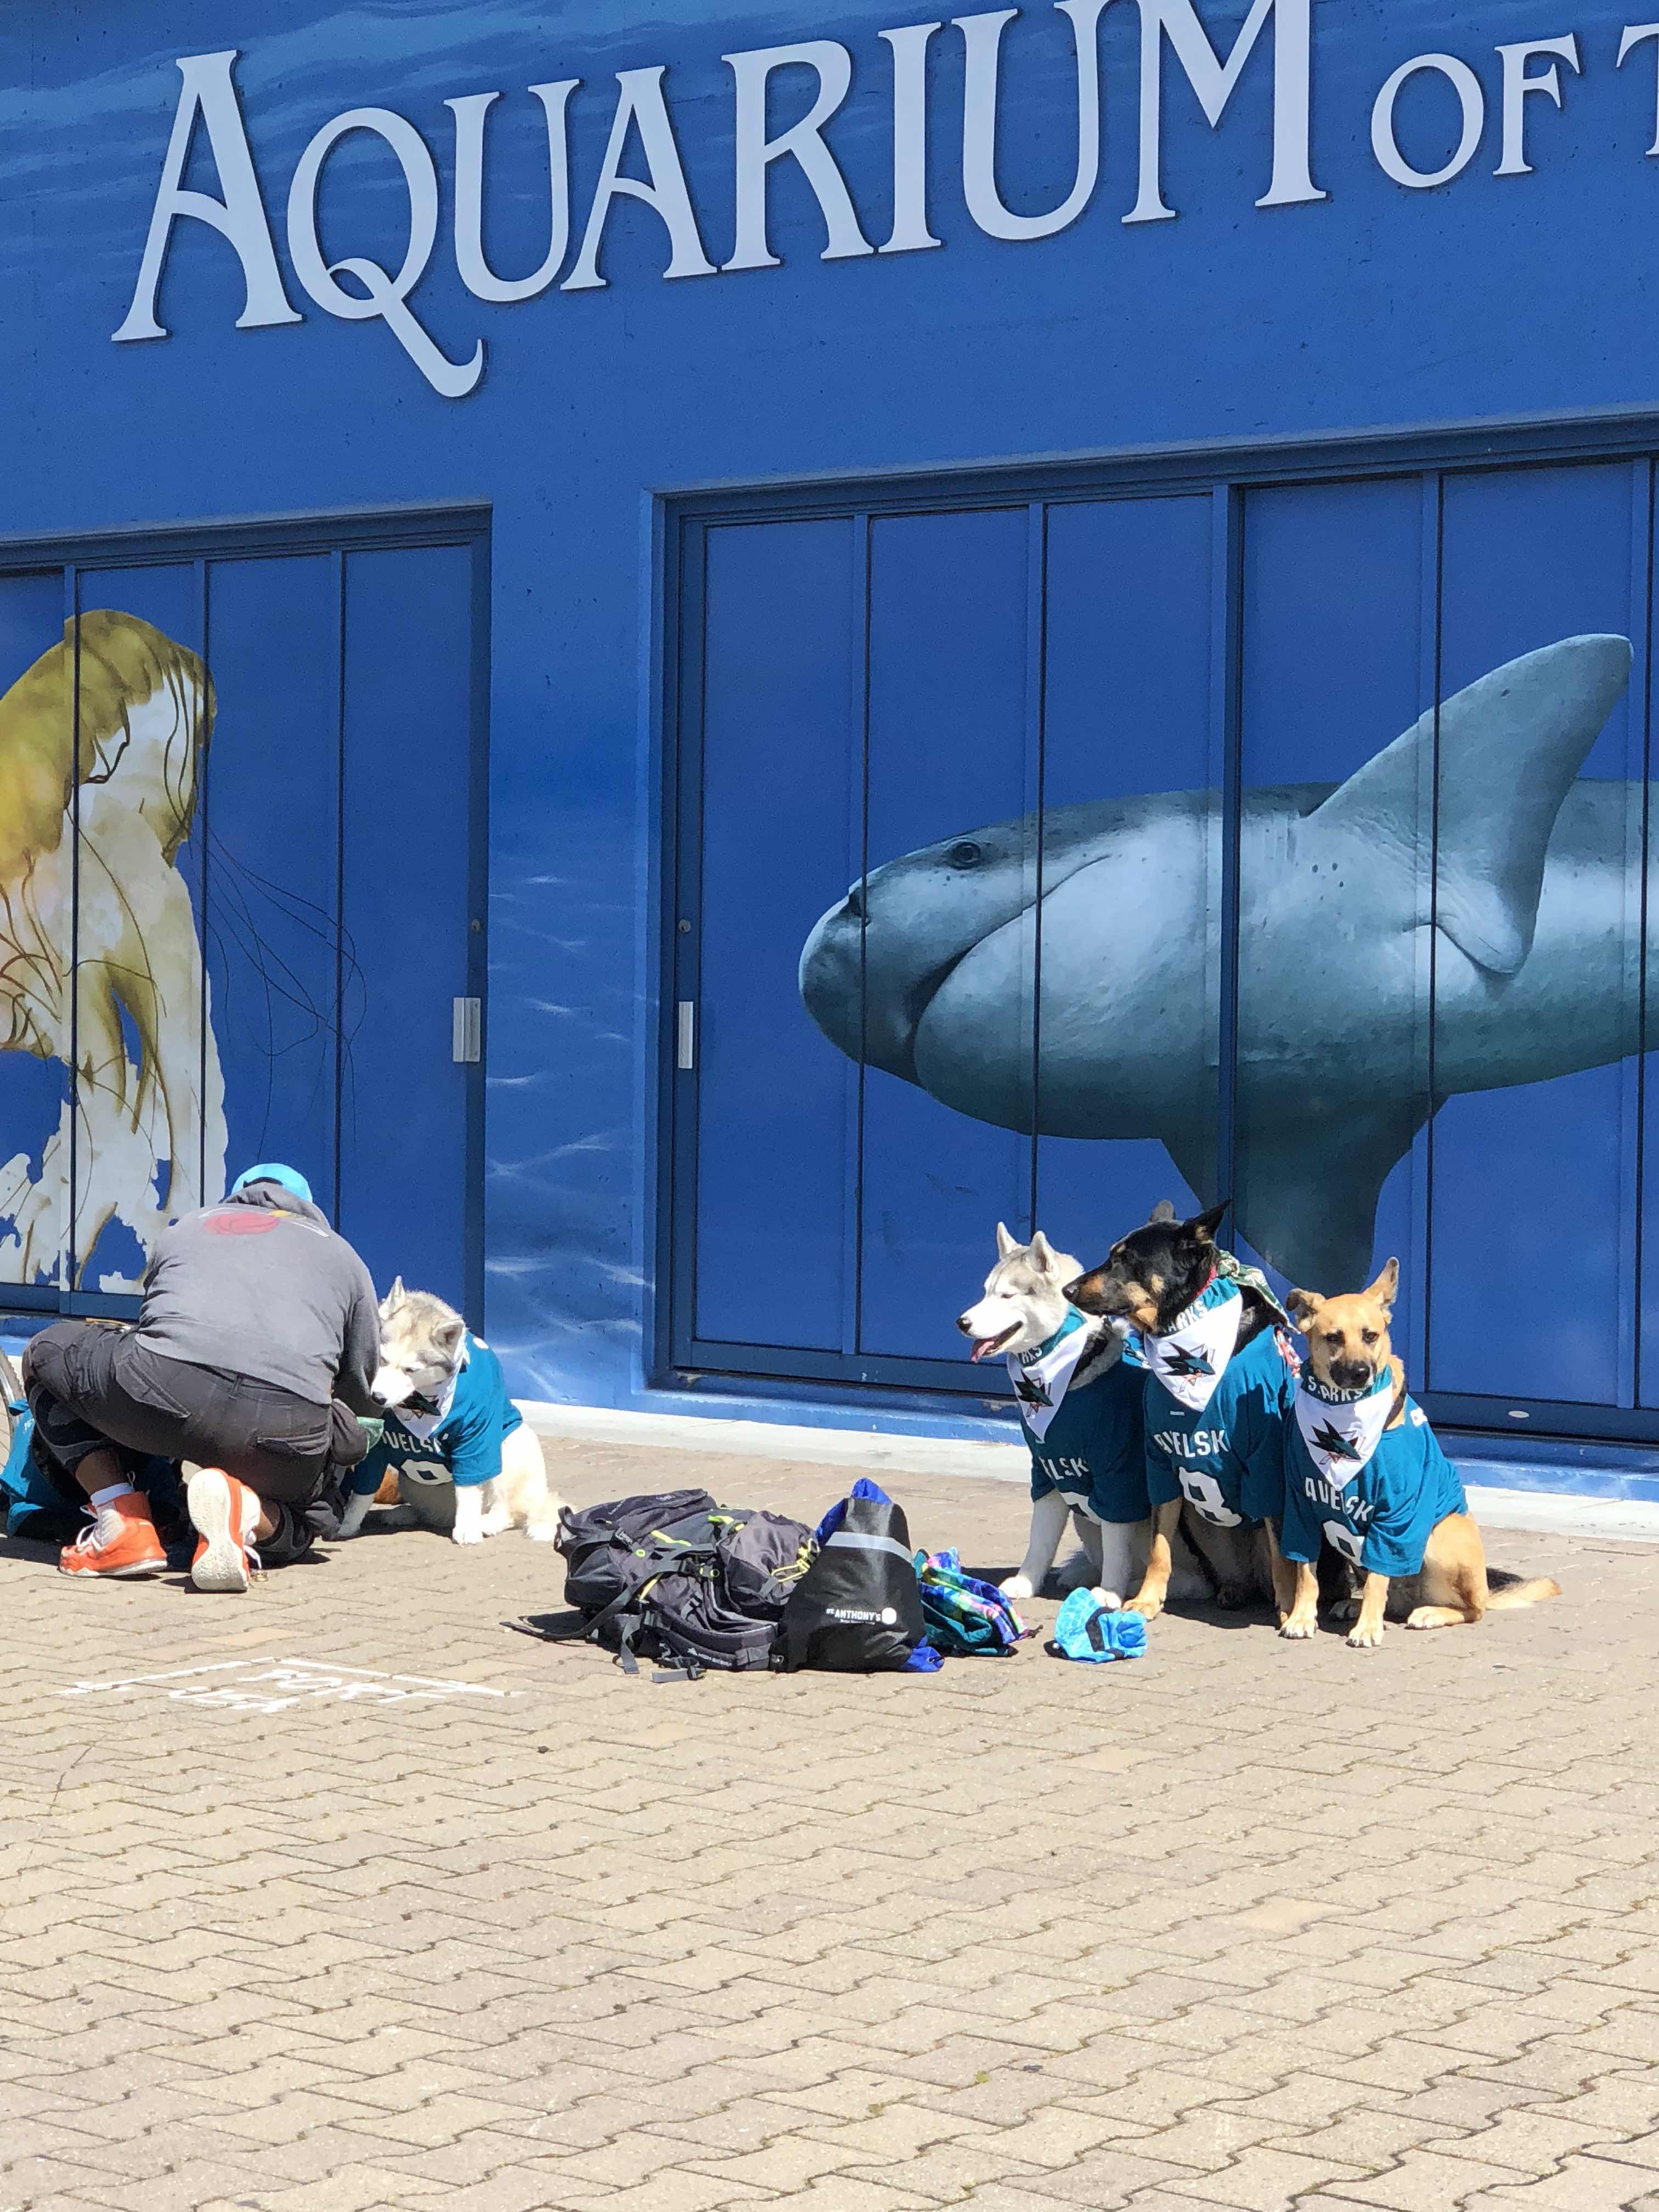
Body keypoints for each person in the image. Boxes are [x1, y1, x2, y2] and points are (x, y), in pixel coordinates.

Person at [23, 1164, 381, 1592]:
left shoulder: (190, 1226)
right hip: (282, 1430)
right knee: (308, 1520)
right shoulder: (344, 1256)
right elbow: (362, 1389)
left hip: (165, 1397)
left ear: (237, 1195)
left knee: (46, 1352)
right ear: (308, 1206)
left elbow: (157, 1327)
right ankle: (248, 1509)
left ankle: (121, 1520)